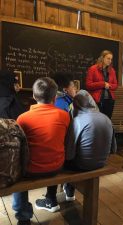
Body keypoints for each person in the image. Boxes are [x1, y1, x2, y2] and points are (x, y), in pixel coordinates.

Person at [13, 77, 70, 225]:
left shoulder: (23, 118)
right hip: (57, 167)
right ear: (55, 96)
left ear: (33, 95)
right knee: (53, 152)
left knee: (17, 170)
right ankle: (52, 198)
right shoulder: (64, 116)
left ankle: (24, 216)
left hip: (30, 170)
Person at [63, 90, 113, 200]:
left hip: (82, 165)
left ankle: (67, 190)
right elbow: (113, 147)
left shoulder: (77, 121)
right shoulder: (106, 118)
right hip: (102, 162)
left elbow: (69, 154)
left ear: (76, 105)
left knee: (61, 160)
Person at [86, 50, 118, 119]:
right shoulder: (93, 69)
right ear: (102, 58)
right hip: (97, 100)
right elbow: (88, 85)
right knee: (98, 121)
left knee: (107, 120)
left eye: (111, 59)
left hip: (109, 100)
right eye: (108, 58)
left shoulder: (112, 70)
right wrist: (102, 84)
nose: (110, 61)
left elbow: (115, 85)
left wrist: (108, 85)